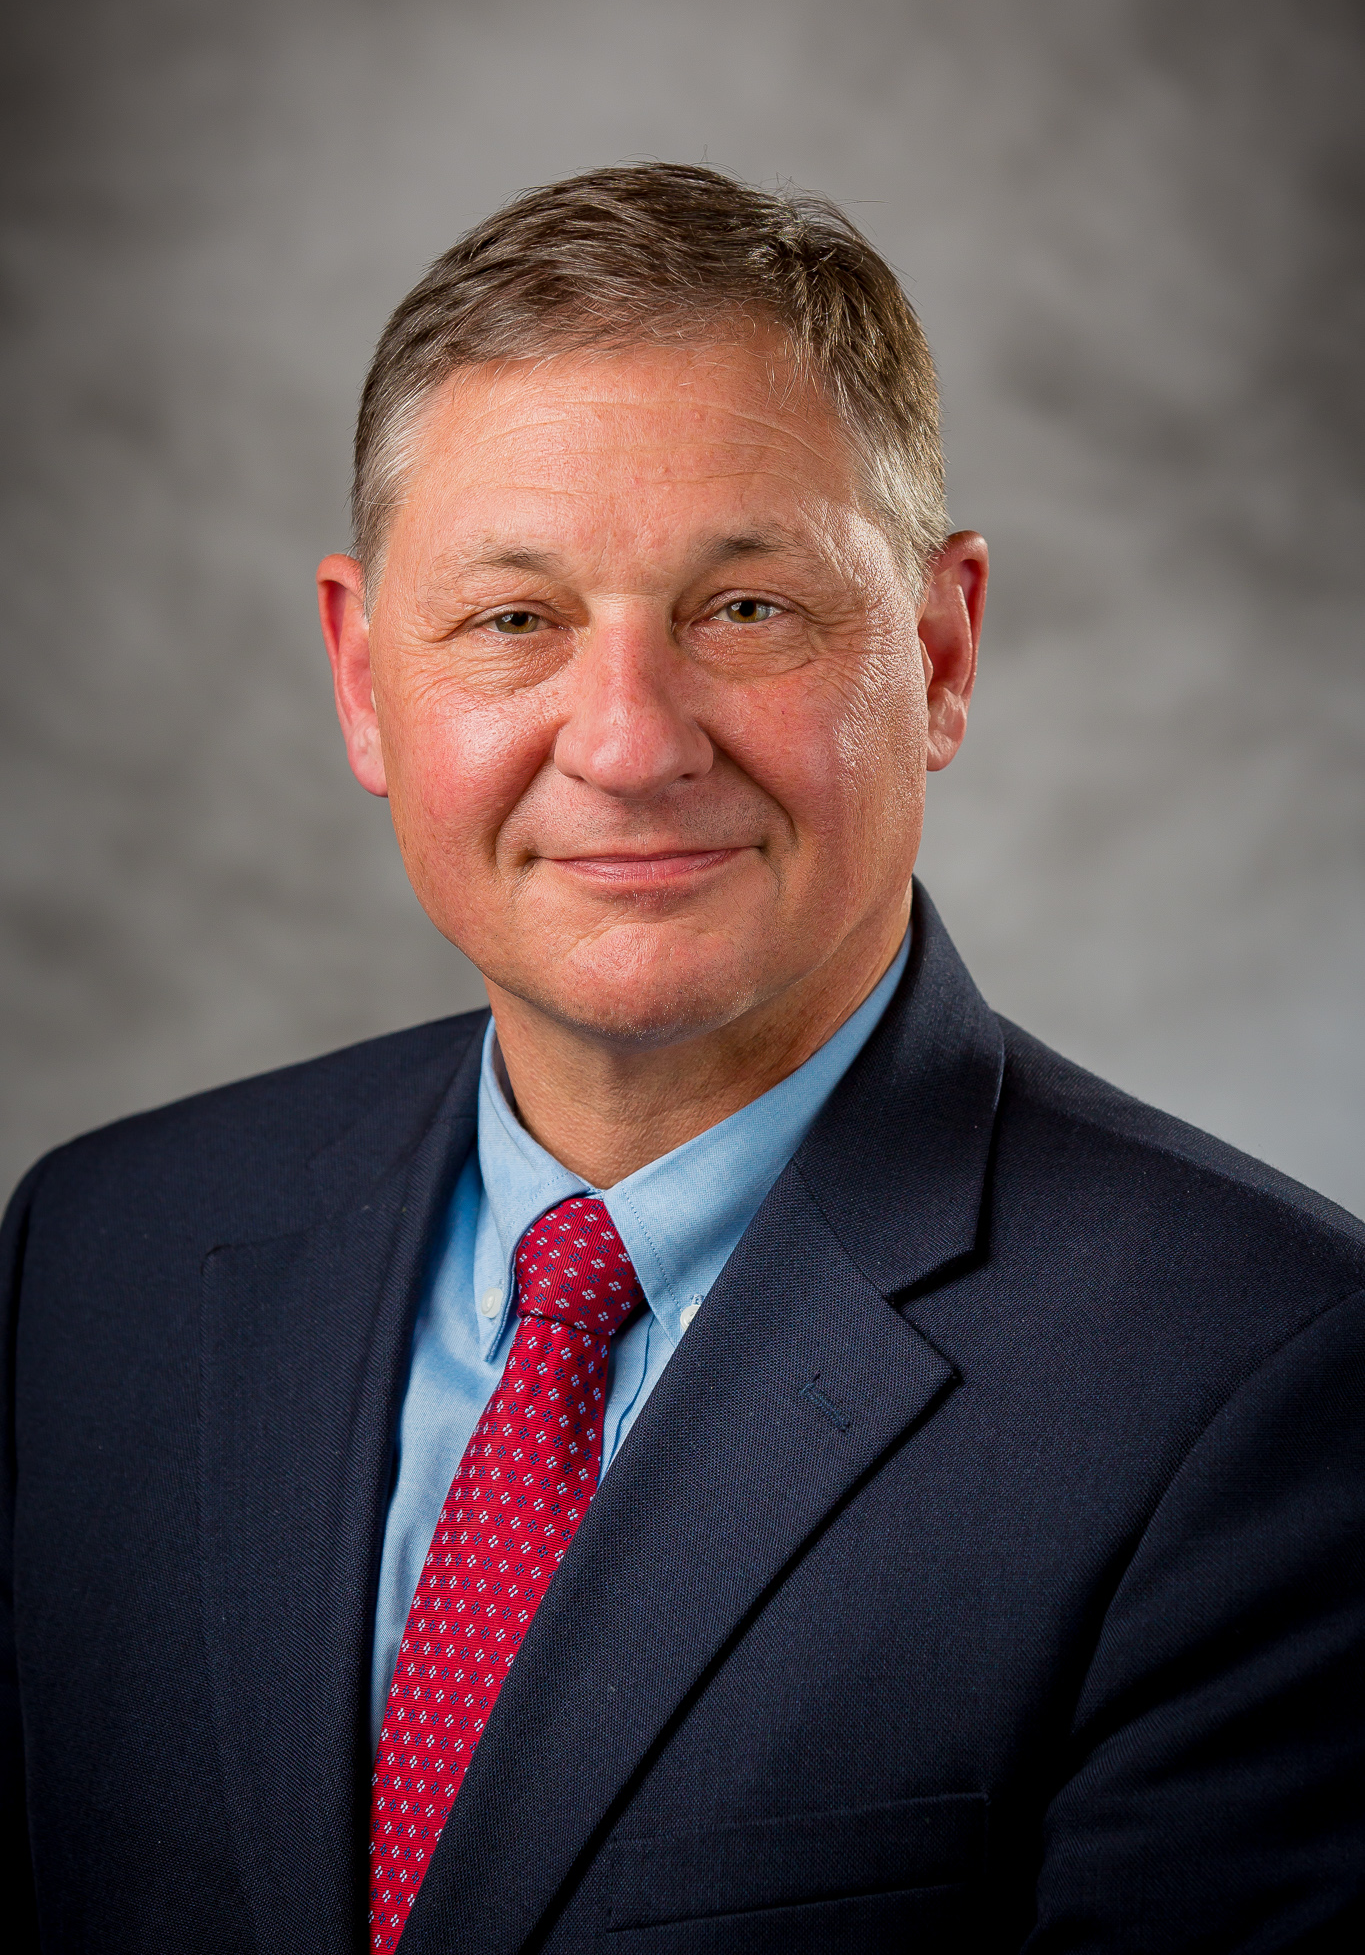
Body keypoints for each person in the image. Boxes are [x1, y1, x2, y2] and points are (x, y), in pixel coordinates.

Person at [2, 164, 1362, 1955]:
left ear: (942, 654)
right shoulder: (99, 1256)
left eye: (745, 610)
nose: (630, 745)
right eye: (514, 620)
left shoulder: (1259, 1385)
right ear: (358, 677)